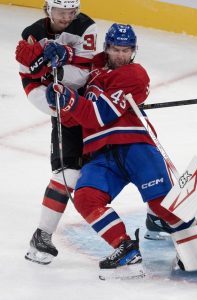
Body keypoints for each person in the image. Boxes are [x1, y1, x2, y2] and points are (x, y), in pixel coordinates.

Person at [45, 23, 189, 278]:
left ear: (133, 51)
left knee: (162, 203)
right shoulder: (96, 68)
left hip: (135, 145)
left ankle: (196, 246)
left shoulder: (134, 74)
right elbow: (84, 60)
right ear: (107, 48)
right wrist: (64, 58)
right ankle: (125, 248)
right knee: (86, 197)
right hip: (101, 155)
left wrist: (70, 101)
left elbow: (98, 116)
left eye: (126, 50)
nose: (121, 55)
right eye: (115, 49)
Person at [15, 0, 97, 265]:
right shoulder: (32, 33)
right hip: (68, 112)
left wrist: (61, 60)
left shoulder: (86, 27)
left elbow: (88, 71)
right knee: (69, 173)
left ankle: (158, 216)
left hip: (96, 105)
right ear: (47, 10)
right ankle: (42, 235)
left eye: (71, 11)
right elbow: (30, 81)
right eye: (60, 11)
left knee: (128, 155)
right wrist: (54, 103)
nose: (66, 16)